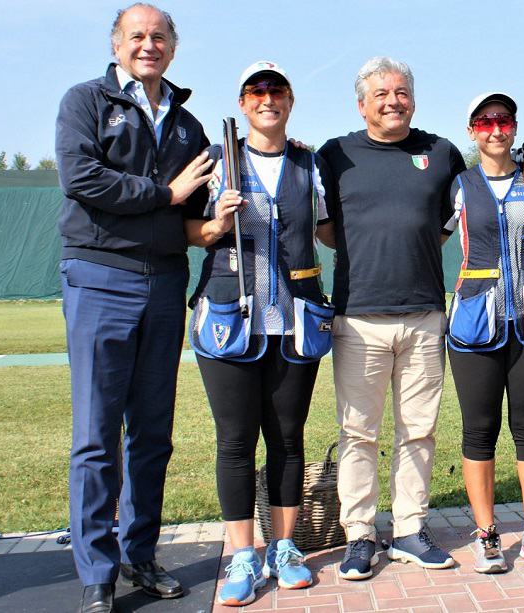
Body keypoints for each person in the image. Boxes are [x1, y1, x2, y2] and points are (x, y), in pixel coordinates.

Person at [55, 4, 212, 612]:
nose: (149, 45)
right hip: (100, 276)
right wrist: (162, 194)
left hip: (166, 282)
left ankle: (138, 554)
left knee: (152, 433)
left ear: (173, 47)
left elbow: (206, 198)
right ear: (117, 44)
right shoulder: (86, 102)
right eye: (137, 36)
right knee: (96, 434)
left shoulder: (187, 124)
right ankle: (96, 572)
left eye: (160, 36)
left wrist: (281, 150)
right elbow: (82, 178)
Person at [183, 60, 335, 606]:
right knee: (235, 440)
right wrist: (217, 224)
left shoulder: (308, 163)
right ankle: (243, 553)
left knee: (288, 438)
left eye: (276, 90)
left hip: (294, 320)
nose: (266, 98)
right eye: (256, 91)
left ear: (290, 101)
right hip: (228, 319)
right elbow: (190, 232)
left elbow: (328, 230)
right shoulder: (217, 161)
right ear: (243, 103)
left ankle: (285, 547)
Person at [317, 56, 466, 580]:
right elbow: (325, 229)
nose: (392, 101)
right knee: (358, 433)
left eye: (401, 91)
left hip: (425, 315)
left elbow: (451, 222)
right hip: (357, 317)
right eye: (381, 93)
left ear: (414, 99)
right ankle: (359, 535)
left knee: (419, 431)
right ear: (362, 104)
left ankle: (408, 529)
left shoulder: (441, 153)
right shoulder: (333, 155)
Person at [443, 93, 524, 574]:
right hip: (476, 319)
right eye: (485, 122)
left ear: (514, 128)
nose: (495, 130)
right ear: (472, 130)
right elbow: (433, 233)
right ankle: (487, 533)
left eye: (504, 121)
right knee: (480, 430)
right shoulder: (458, 184)